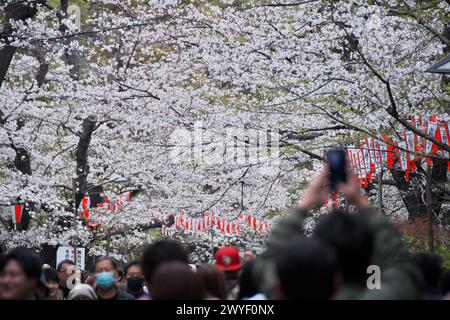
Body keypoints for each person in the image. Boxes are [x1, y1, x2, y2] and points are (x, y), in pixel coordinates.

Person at [252, 163, 423, 299]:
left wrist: (304, 203)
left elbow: (269, 260)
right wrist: (361, 201)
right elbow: (401, 265)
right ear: (370, 257)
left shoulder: (282, 290)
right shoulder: (385, 295)